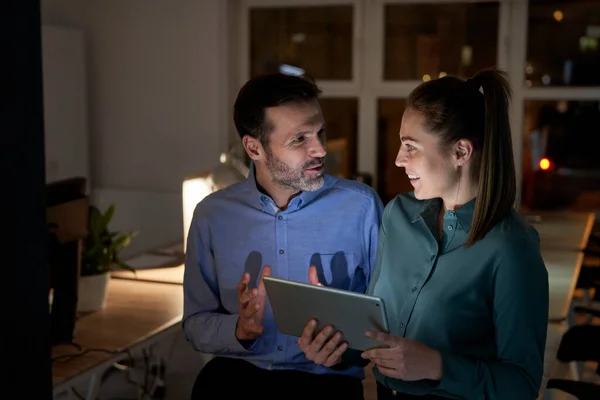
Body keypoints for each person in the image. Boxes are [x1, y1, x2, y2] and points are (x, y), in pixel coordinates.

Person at [299, 70, 549, 399]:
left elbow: (522, 385)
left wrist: (436, 366)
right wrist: (335, 344)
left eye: (411, 147)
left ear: (461, 152)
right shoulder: (398, 215)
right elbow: (377, 336)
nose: (399, 160)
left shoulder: (512, 247)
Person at [183, 72, 384, 400]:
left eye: (320, 132)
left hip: (329, 386)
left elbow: (391, 316)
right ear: (254, 147)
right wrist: (239, 329)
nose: (320, 149)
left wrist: (346, 347)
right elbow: (195, 322)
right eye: (300, 139)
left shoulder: (362, 207)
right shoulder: (211, 215)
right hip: (234, 380)